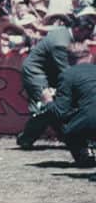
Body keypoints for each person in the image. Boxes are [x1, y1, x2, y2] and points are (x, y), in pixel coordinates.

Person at [16, 13, 96, 149]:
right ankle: (27, 137)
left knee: (53, 106)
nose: (88, 38)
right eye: (86, 34)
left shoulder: (65, 33)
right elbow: (71, 73)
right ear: (78, 30)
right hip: (36, 72)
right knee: (47, 107)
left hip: (47, 70)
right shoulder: (61, 44)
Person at [48, 61, 96, 168]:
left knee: (67, 127)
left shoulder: (68, 75)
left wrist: (48, 101)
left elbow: (60, 112)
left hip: (90, 120)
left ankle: (84, 156)